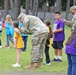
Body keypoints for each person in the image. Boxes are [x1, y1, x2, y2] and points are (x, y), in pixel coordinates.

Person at [63, 6, 76, 75]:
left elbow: (71, 24)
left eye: (71, 10)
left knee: (70, 65)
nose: (70, 12)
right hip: (73, 48)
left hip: (68, 46)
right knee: (74, 65)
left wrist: (65, 22)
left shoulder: (72, 35)